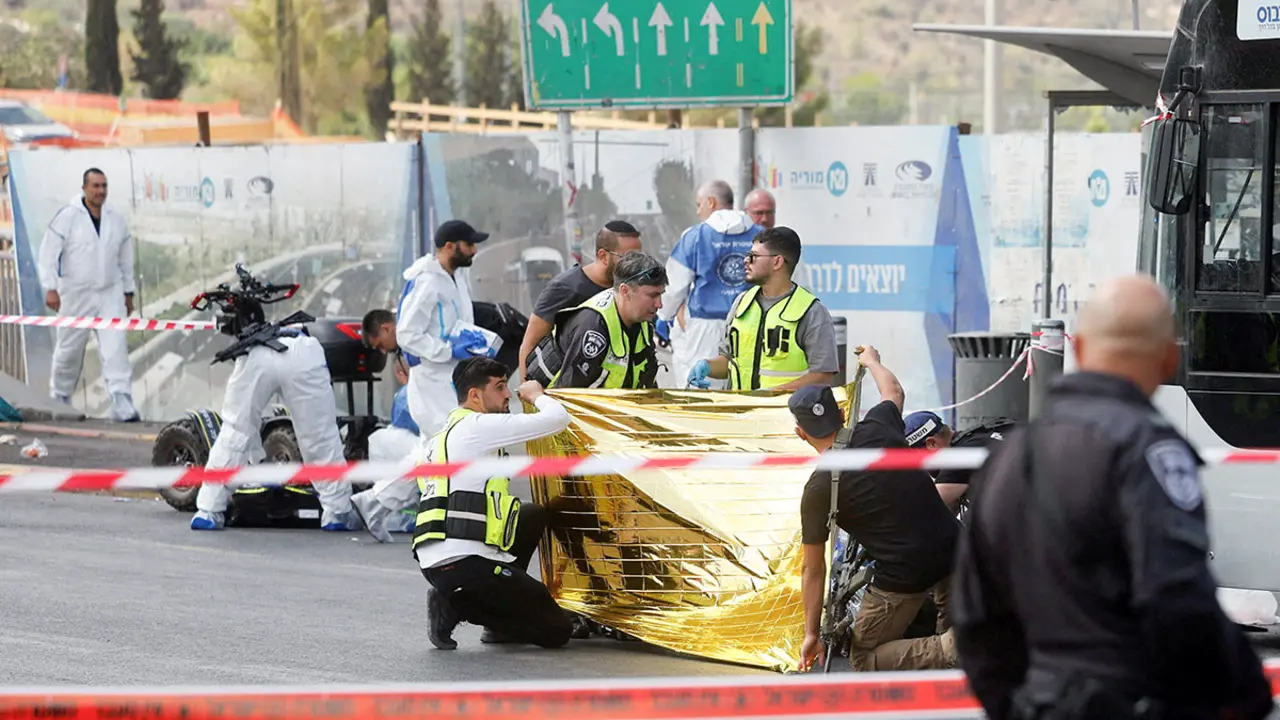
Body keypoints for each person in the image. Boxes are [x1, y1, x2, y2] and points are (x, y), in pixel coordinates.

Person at [951, 274, 1273, 720]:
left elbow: (975, 618)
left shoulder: (1010, 457)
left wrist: (1018, 705)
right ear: (1169, 358)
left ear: (1080, 349)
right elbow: (1179, 601)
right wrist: (1246, 693)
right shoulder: (1149, 452)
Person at [793, 347, 960, 673]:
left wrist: (812, 634)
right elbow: (894, 391)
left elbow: (812, 569)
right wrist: (872, 361)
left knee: (863, 658)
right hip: (953, 546)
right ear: (842, 414)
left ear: (800, 433)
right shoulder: (878, 425)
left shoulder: (817, 490)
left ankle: (956, 646)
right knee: (950, 630)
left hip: (904, 573)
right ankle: (959, 645)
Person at [415, 357, 574, 650]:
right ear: (475, 396)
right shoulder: (477, 426)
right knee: (557, 630)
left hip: (438, 561)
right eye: (500, 387)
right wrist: (537, 395)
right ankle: (455, 605)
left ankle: (493, 612)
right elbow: (557, 419)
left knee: (531, 515)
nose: (508, 394)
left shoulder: (439, 438)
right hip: (465, 566)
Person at [190, 325, 362, 532]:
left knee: (235, 432)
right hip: (302, 355)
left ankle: (209, 510)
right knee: (320, 437)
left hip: (258, 350)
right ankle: (338, 512)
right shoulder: (310, 343)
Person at [36, 168, 140, 422]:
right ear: (84, 188)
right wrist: (50, 287)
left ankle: (122, 401)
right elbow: (48, 253)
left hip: (110, 294)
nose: (100, 191)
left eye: (104, 186)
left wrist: (128, 292)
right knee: (69, 350)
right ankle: (60, 398)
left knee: (116, 348)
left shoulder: (116, 219)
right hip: (75, 294)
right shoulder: (68, 217)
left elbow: (125, 259)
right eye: (95, 186)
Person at [688, 226, 839, 391]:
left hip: (786, 408)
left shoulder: (811, 312)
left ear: (777, 262)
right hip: (740, 406)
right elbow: (729, 361)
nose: (746, 260)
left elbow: (822, 376)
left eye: (754, 256)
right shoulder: (742, 303)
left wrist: (771, 395)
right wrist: (707, 366)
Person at [655, 179, 762, 388]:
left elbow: (674, 286)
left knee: (703, 388)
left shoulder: (695, 236)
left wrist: (663, 317)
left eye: (699, 204)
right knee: (746, 385)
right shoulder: (759, 235)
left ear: (711, 202)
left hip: (705, 327)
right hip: (751, 323)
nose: (698, 211)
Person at [390, 219, 490, 436]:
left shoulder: (456, 279)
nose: (474, 250)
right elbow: (406, 334)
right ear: (449, 246)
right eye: (469, 244)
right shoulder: (426, 282)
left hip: (455, 376)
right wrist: (448, 351)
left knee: (461, 438)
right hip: (432, 380)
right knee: (443, 440)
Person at [518, 221, 642, 381]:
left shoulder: (632, 289)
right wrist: (527, 391)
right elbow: (530, 344)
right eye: (629, 258)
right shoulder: (564, 288)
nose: (636, 266)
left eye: (640, 258)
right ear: (603, 256)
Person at [545, 251, 665, 390]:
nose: (659, 304)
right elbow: (569, 395)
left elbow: (647, 381)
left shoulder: (642, 321)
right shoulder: (593, 328)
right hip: (550, 401)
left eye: (661, 295)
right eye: (652, 295)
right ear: (625, 291)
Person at [903, 411, 1015, 515]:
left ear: (932, 444)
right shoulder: (975, 439)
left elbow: (921, 510)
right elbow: (950, 506)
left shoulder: (960, 458)